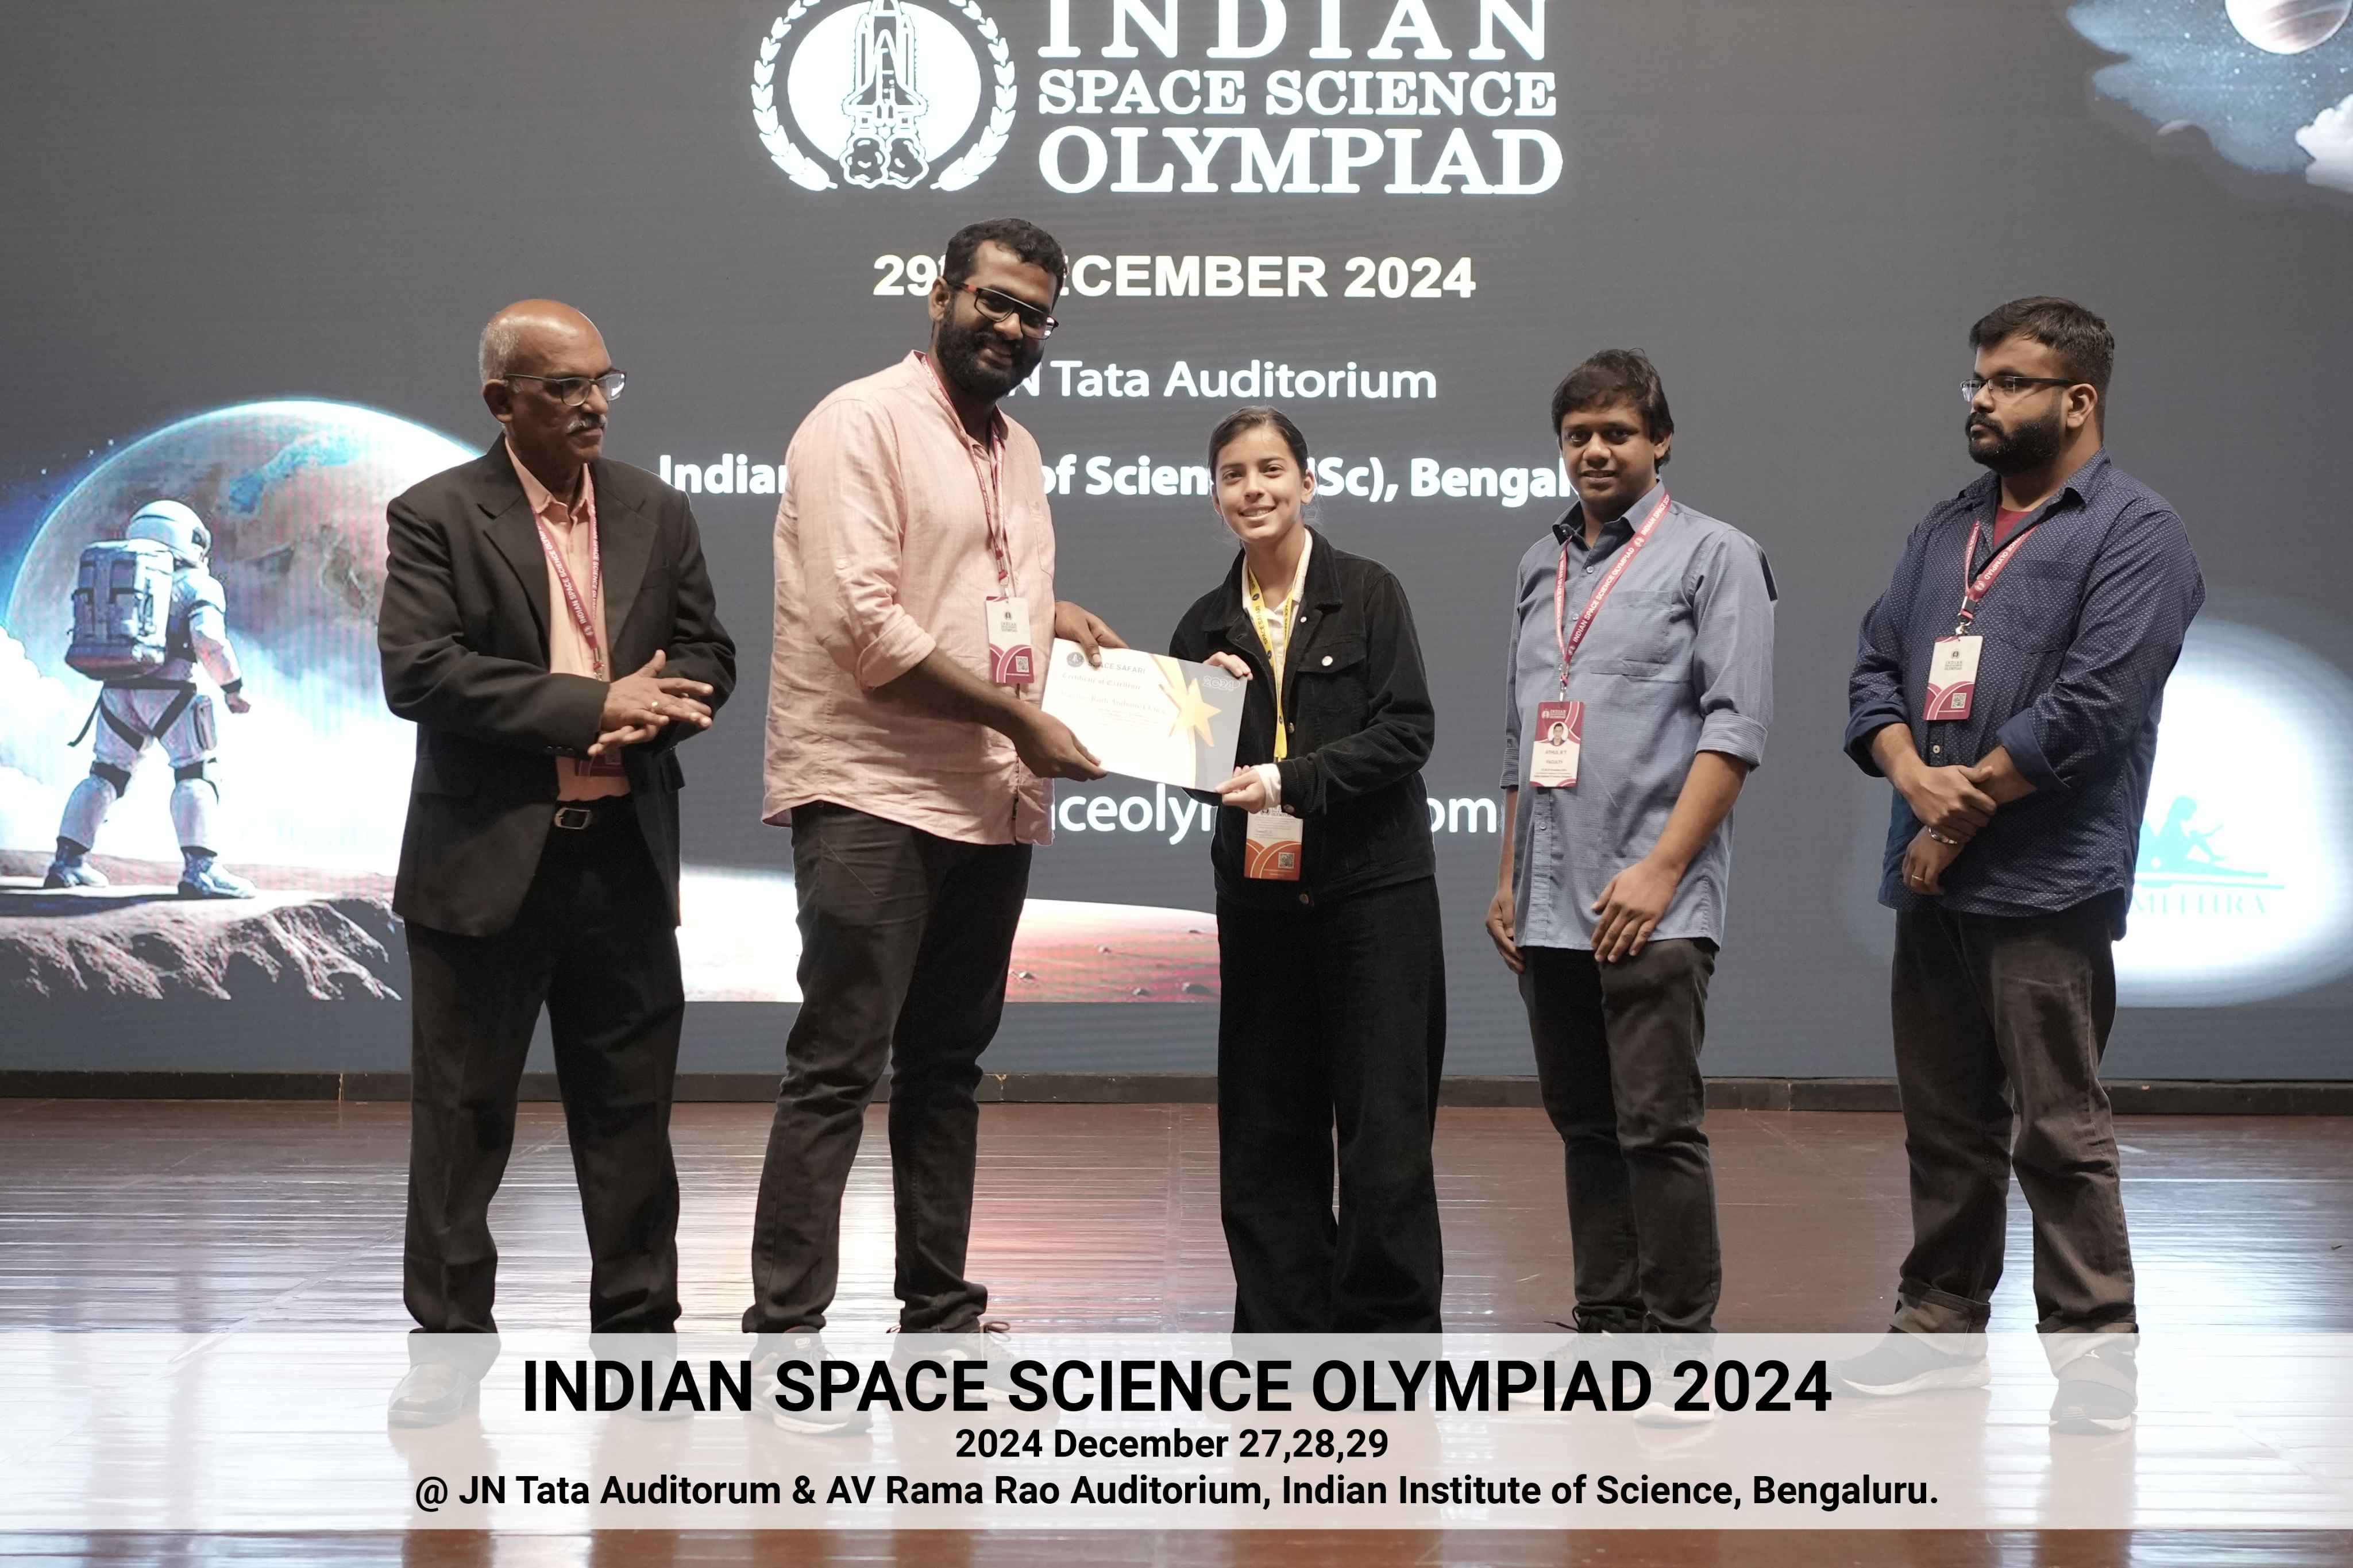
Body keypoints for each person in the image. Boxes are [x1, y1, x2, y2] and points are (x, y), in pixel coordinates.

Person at [749, 218, 1124, 1418]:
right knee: (838, 1064)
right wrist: (1019, 717)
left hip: (982, 796)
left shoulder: (1018, 447)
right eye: (993, 301)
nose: (1011, 328)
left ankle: (939, 1307)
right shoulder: (857, 423)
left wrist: (1049, 619)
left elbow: (970, 587)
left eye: (1034, 315)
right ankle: (785, 1326)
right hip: (871, 789)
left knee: (948, 1067)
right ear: (939, 295)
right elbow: (869, 629)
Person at [1837, 298, 2202, 1434]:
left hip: (2045, 880)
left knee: (2056, 1126)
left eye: (2008, 383)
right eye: (1978, 381)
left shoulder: (2136, 532)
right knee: (1944, 1121)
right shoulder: (1946, 526)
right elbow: (1873, 668)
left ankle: (2094, 1355)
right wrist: (1908, 773)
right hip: (1931, 876)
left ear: (2076, 400)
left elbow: (2092, 708)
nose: (1981, 401)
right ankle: (1938, 1327)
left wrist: (1953, 817)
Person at [377, 300, 735, 1426]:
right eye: (563, 388)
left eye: (603, 383)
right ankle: (447, 1352)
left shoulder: (654, 508)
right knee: (463, 1118)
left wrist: (671, 704)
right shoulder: (437, 514)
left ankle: (639, 1343)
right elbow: (421, 672)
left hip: (623, 856)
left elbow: (708, 649)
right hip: (485, 862)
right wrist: (593, 704)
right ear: (502, 401)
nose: (592, 406)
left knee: (630, 1117)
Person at [1485, 350, 1776, 1347]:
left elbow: (1735, 728)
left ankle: (1678, 1336)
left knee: (1657, 1127)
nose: (1596, 451)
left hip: (1652, 897)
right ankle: (1606, 1317)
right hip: (1548, 899)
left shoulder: (1716, 555)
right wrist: (1508, 878)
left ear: (1661, 440)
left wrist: (1659, 871)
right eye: (1578, 436)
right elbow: (1522, 737)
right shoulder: (1541, 564)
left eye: (1617, 433)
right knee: (1585, 1125)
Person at [1169, 406, 1445, 1331]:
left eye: (1271, 469)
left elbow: (1407, 731)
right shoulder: (1204, 623)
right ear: (1216, 495)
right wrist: (1215, 709)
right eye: (1234, 475)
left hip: (1376, 894)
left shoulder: (1368, 591)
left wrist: (1295, 778)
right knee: (1266, 1126)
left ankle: (1387, 1339)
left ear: (1307, 482)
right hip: (1261, 902)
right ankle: (1282, 1334)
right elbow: (1195, 774)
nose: (1254, 489)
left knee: (1385, 1128)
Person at [46, 499, 258, 898]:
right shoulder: (199, 585)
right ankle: (201, 871)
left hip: (116, 690)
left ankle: (67, 863)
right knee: (196, 774)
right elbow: (209, 640)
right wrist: (234, 688)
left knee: (105, 774)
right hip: (172, 693)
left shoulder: (120, 576)